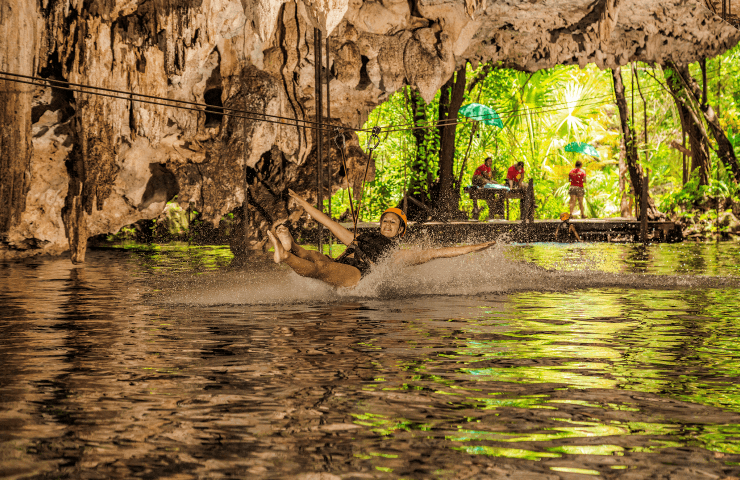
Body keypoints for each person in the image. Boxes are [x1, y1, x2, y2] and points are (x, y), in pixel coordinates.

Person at [267, 189, 497, 288]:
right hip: (342, 263)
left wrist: (474, 247)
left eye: (392, 223)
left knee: (320, 267)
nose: (387, 224)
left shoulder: (396, 254)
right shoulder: (356, 239)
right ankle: (290, 246)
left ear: (400, 231)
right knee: (315, 255)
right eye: (384, 221)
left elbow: (436, 253)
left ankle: (286, 254)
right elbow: (327, 222)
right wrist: (303, 203)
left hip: (355, 275)